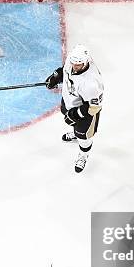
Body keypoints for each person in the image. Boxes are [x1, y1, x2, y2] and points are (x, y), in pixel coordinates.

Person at [45, 44, 104, 173]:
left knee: (84, 136)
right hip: (69, 100)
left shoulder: (92, 83)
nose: (74, 67)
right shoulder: (72, 60)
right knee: (71, 121)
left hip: (85, 113)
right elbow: (65, 71)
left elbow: (94, 107)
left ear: (86, 62)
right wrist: (56, 77)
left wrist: (75, 114)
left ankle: (83, 154)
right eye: (73, 63)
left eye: (78, 64)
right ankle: (76, 134)